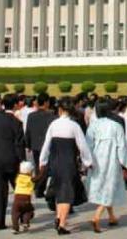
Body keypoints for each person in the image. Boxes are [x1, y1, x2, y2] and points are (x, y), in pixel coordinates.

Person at [39, 97, 93, 235]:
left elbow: (46, 145)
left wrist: (42, 162)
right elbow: (83, 146)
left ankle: (58, 217)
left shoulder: (53, 124)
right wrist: (88, 162)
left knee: (59, 191)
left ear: (60, 109)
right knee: (67, 193)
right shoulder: (74, 126)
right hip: (69, 162)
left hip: (54, 162)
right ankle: (62, 224)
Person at [86, 100, 127, 233]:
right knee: (109, 187)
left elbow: (88, 145)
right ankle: (96, 217)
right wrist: (125, 162)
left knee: (103, 187)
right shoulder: (116, 126)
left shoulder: (93, 126)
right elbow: (121, 146)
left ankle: (111, 217)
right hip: (111, 160)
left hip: (96, 160)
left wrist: (87, 162)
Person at [0, 94, 26, 230]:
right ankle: (22, 217)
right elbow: (19, 145)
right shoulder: (17, 123)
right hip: (13, 161)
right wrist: (23, 162)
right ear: (15, 105)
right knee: (20, 191)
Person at [24, 92, 56, 200]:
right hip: (48, 145)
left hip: (35, 145)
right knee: (48, 166)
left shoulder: (31, 116)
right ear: (46, 102)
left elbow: (28, 131)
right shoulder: (52, 116)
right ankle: (43, 187)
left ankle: (39, 188)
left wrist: (28, 144)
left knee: (39, 166)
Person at [11, 160, 36, 235]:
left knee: (15, 213)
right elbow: (37, 179)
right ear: (30, 172)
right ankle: (25, 222)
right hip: (26, 199)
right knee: (28, 211)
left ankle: (15, 228)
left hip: (17, 199)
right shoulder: (31, 179)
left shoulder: (18, 178)